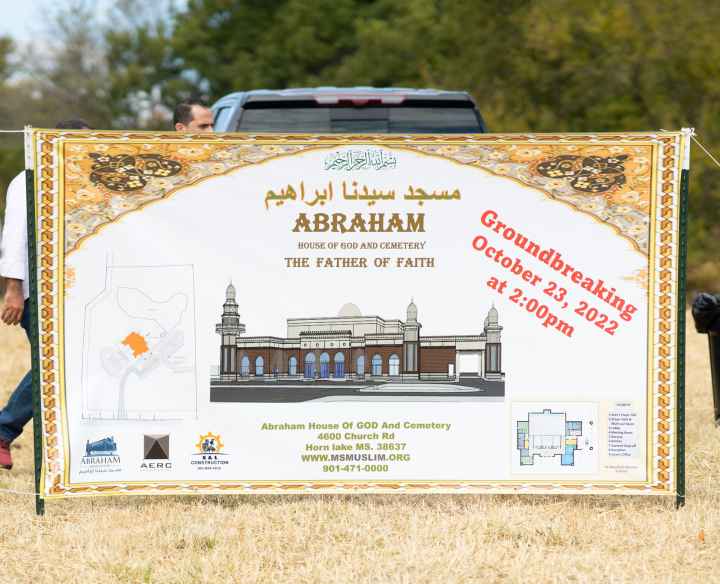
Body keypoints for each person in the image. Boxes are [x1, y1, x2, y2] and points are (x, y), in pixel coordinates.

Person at [0, 119, 91, 470]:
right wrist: (13, 289)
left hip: (72, 287)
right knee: (53, 364)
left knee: (67, 362)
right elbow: (14, 238)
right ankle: (5, 428)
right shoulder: (29, 180)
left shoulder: (85, 181)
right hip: (37, 289)